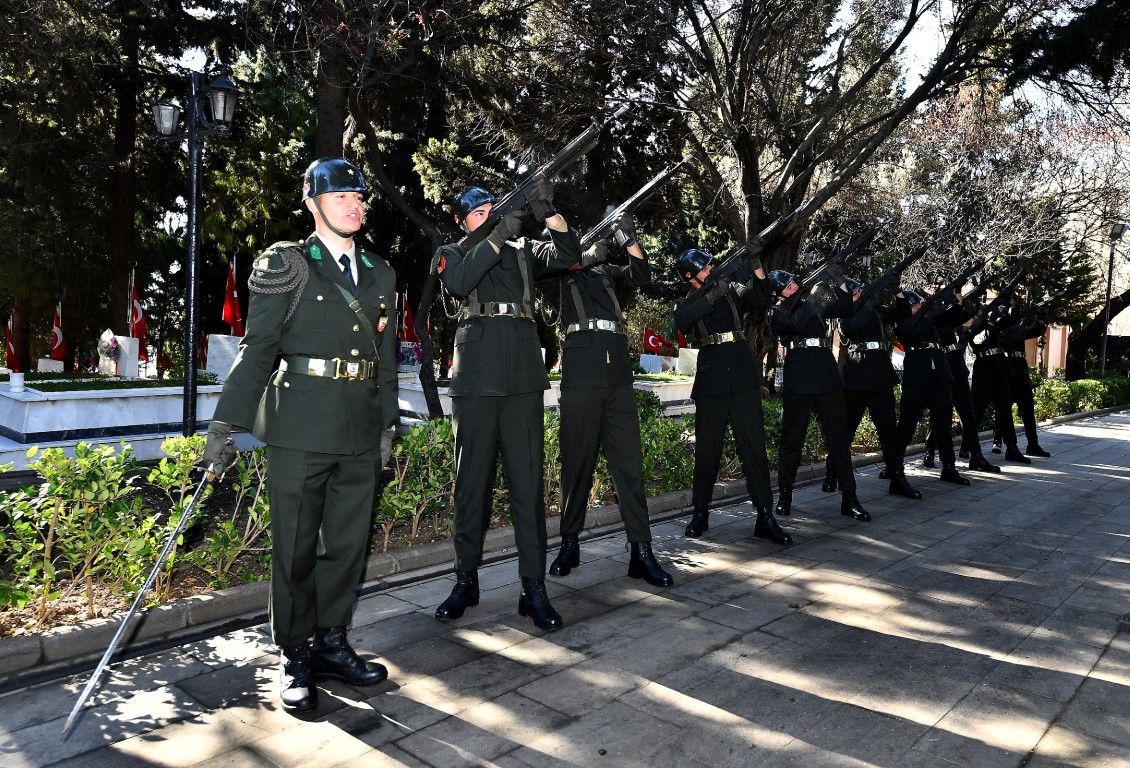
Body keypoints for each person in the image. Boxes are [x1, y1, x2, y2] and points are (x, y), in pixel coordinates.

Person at [202, 157, 398, 714]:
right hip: (300, 426)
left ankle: (333, 642)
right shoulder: (285, 264)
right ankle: (296, 654)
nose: (354, 205)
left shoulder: (381, 272)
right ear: (313, 203)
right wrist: (225, 423)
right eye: (341, 197)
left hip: (360, 427)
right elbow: (258, 350)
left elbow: (385, 362)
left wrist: (386, 424)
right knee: (293, 550)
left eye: (358, 196)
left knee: (346, 547)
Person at [433, 181, 580, 631]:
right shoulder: (453, 251)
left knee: (528, 486)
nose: (487, 215)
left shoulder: (522, 251)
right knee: (470, 484)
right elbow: (458, 284)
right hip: (476, 379)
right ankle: (465, 581)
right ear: (463, 222)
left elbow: (570, 256)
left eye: (490, 209)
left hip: (521, 378)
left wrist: (550, 215)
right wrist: (497, 234)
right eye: (477, 213)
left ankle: (532, 588)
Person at [543, 215, 674, 586]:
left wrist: (627, 237)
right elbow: (565, 261)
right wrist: (590, 253)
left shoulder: (605, 273)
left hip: (616, 364)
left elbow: (641, 273)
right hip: (582, 365)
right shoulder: (555, 274)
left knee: (629, 465)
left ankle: (641, 552)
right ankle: (569, 544)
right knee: (577, 463)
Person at [673, 248, 792, 545]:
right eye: (706, 266)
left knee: (754, 448)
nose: (712, 267)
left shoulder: (733, 289)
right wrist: (711, 297)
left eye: (712, 263)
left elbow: (761, 299)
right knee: (707, 452)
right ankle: (700, 512)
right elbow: (682, 322)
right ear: (690, 276)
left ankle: (765, 516)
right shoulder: (688, 301)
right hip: (712, 377)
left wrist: (757, 268)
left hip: (741, 373)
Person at [769, 270, 870, 521]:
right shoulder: (777, 312)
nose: (794, 285)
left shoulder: (811, 302)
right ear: (776, 293)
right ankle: (785, 494)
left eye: (794, 282)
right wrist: (814, 295)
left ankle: (850, 497)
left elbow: (844, 308)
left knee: (838, 438)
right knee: (792, 438)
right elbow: (796, 324)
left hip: (826, 371)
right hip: (800, 373)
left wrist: (840, 280)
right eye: (788, 285)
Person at [821, 278, 921, 499]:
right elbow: (851, 327)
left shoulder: (876, 309)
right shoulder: (845, 312)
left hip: (880, 374)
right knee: (845, 430)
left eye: (860, 291)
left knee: (889, 432)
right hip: (857, 375)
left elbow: (902, 314)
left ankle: (897, 477)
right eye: (855, 291)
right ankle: (832, 473)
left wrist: (898, 293)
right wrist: (866, 304)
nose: (858, 294)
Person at [892, 290, 970, 486]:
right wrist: (926, 311)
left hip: (940, 374)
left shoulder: (930, 319)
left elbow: (953, 315)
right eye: (915, 305)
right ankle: (894, 468)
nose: (918, 306)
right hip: (917, 375)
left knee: (943, 422)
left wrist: (955, 298)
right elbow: (910, 334)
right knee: (906, 425)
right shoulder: (902, 323)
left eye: (919, 304)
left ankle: (949, 467)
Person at [921, 287, 1000, 473]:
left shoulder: (950, 314)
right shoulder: (931, 315)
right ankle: (930, 451)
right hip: (942, 367)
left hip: (956, 365)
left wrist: (957, 291)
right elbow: (952, 313)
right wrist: (948, 300)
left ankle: (977, 456)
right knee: (939, 414)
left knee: (968, 414)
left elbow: (970, 311)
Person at [968, 301, 1031, 464]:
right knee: (977, 410)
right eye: (982, 310)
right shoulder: (973, 328)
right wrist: (987, 321)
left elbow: (1011, 319)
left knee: (1005, 410)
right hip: (984, 370)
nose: (985, 312)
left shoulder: (993, 324)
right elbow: (979, 340)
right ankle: (967, 445)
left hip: (1000, 370)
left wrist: (1014, 305)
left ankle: (1012, 447)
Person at [996, 296, 1051, 457]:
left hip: (1020, 367)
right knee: (1004, 409)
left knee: (1028, 407)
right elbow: (1007, 337)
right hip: (1008, 367)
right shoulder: (999, 329)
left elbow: (1037, 331)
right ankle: (1000, 441)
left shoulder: (1017, 327)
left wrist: (1041, 314)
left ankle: (1033, 444)